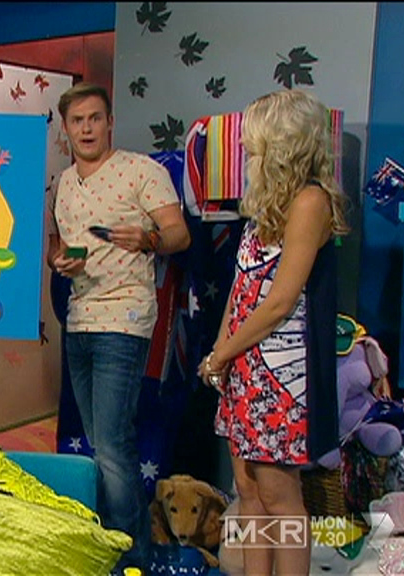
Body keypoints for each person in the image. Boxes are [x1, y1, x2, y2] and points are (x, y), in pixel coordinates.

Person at [198, 88, 349, 575]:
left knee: (279, 493)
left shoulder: (310, 201)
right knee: (247, 487)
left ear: (281, 142)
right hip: (242, 364)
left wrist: (224, 353)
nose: (246, 148)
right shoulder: (265, 207)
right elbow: (241, 289)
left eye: (253, 139)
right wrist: (220, 351)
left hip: (280, 374)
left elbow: (281, 301)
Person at [46, 82, 191, 570]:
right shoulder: (64, 184)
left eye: (94, 118)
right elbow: (57, 246)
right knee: (99, 445)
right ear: (66, 130)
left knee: (111, 446)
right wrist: (59, 261)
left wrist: (148, 238)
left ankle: (132, 558)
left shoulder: (141, 171)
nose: (86, 128)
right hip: (79, 319)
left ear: (109, 122)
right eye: (77, 121)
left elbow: (179, 235)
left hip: (123, 320)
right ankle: (114, 545)